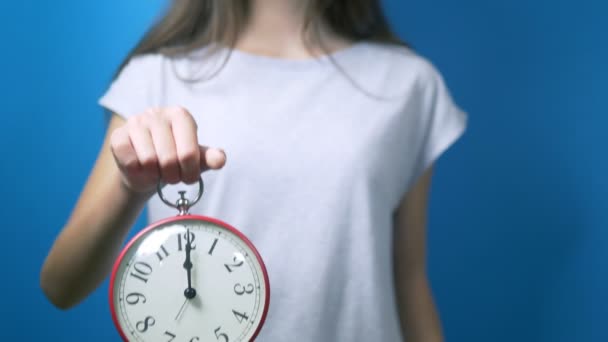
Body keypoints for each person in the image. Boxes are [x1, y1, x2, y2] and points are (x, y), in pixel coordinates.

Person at [40, 0, 468, 341]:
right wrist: (131, 187)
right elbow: (61, 285)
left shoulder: (409, 84)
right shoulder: (156, 78)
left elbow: (409, 282)